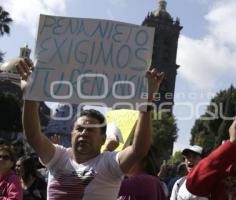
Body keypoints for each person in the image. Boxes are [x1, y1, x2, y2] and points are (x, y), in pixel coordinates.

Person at [16, 58, 164, 200]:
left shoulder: (109, 164)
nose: (84, 133)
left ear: (103, 139)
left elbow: (139, 149)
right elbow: (34, 136)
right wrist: (30, 95)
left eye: (91, 129)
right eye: (79, 129)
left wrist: (146, 102)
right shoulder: (58, 157)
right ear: (72, 133)